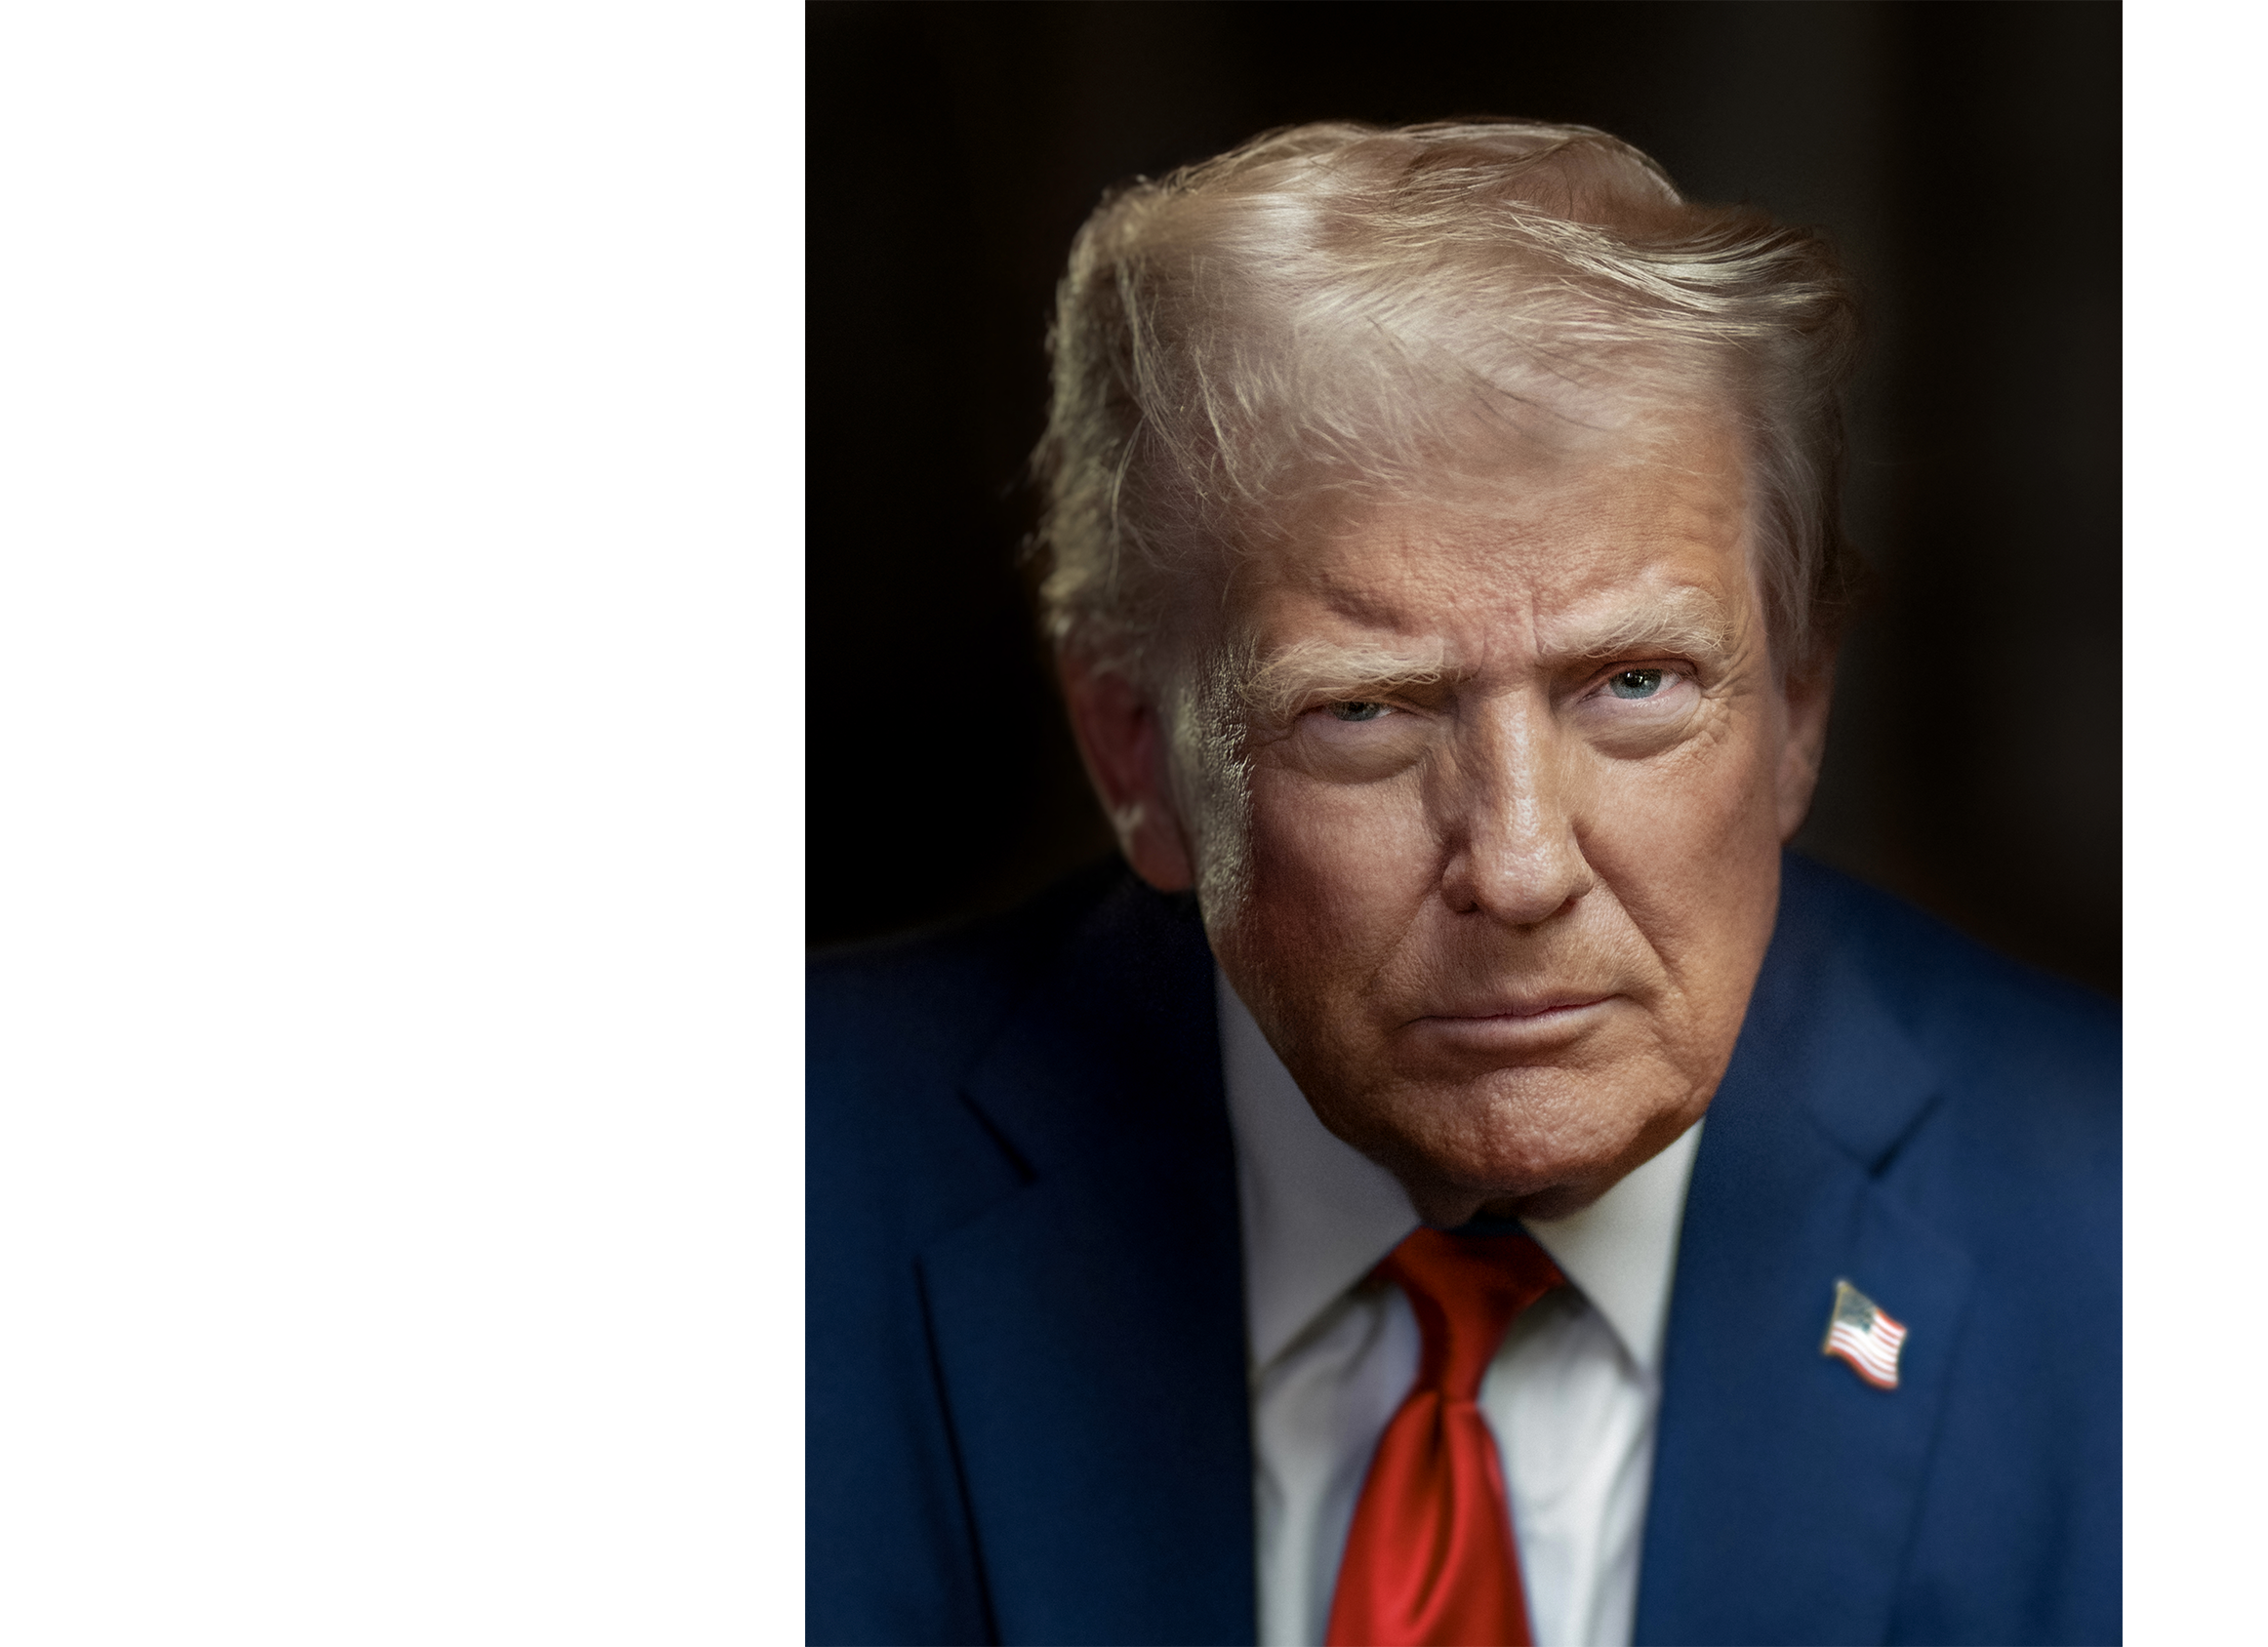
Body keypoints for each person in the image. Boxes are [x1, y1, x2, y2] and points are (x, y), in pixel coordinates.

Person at [805, 120, 2121, 1647]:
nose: (1520, 865)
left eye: (1634, 684)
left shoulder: (2106, 1229)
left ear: (1798, 712)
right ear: (1136, 754)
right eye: (1365, 712)